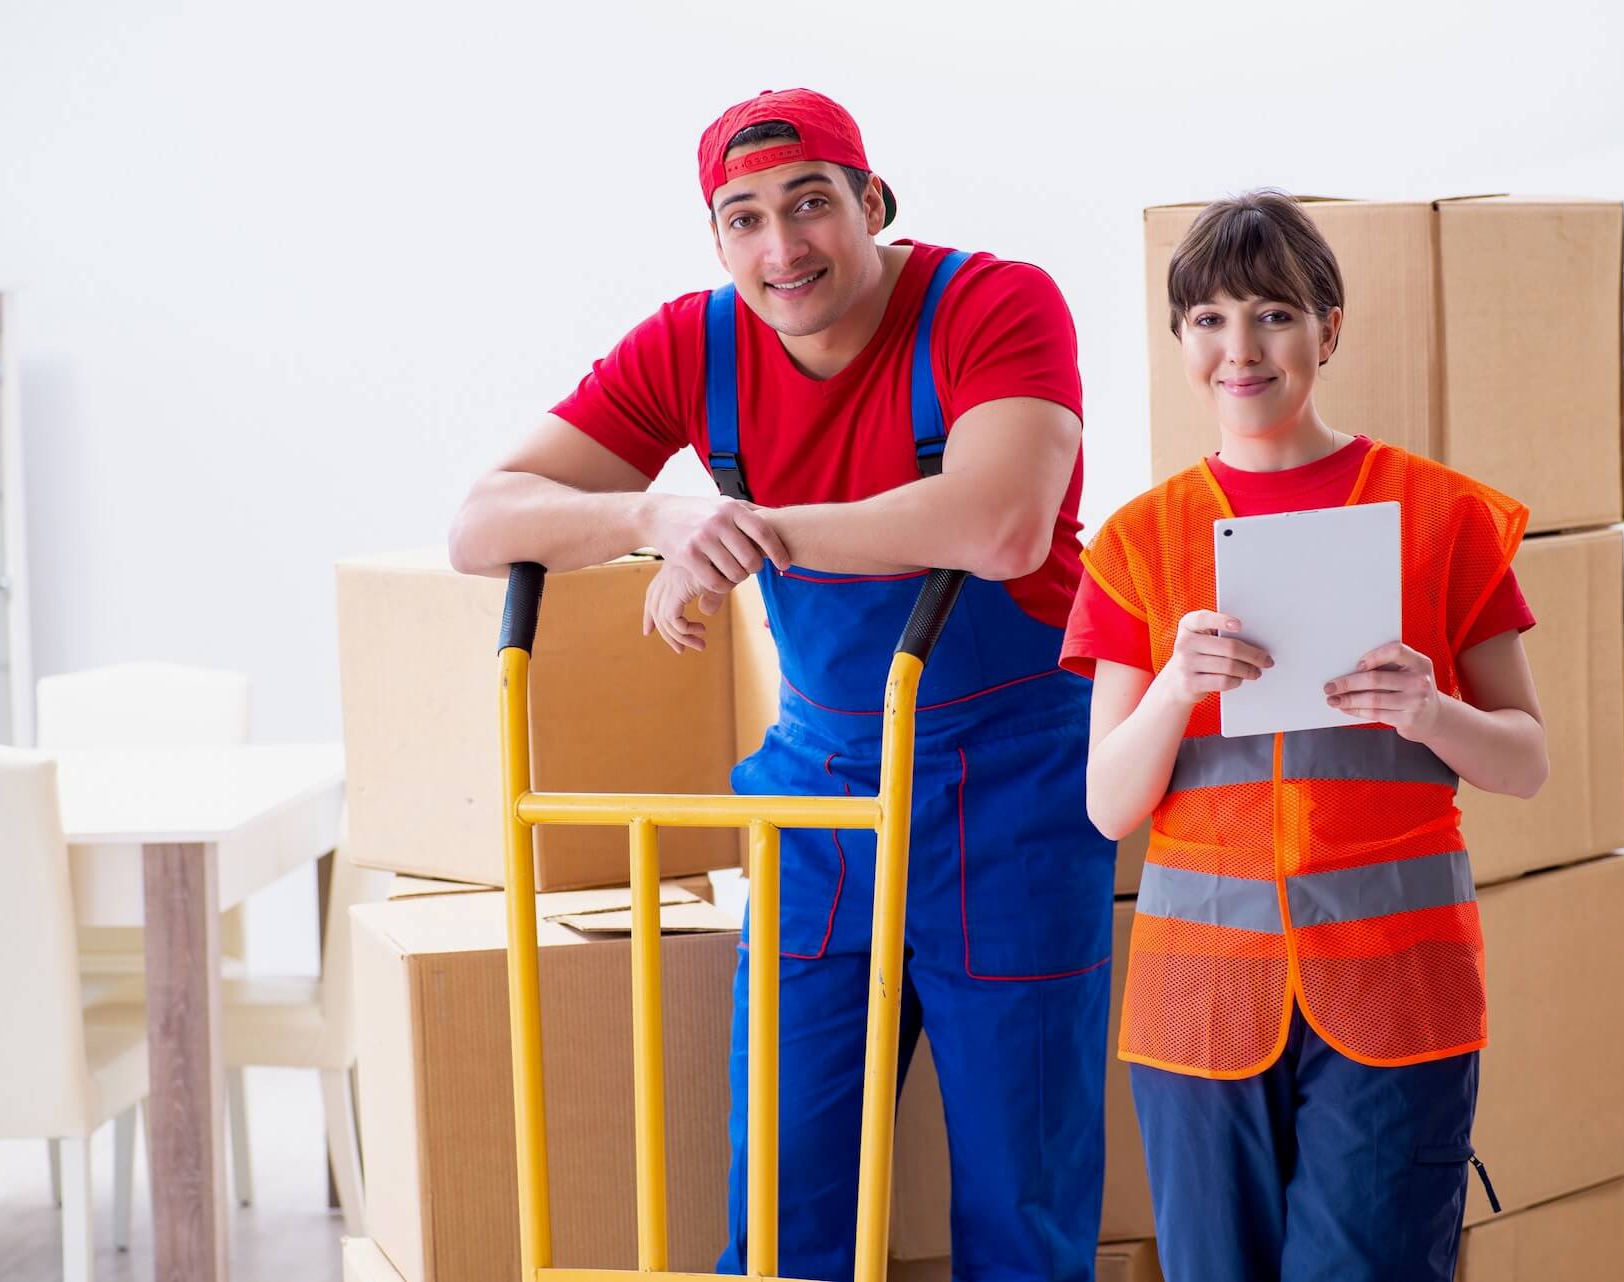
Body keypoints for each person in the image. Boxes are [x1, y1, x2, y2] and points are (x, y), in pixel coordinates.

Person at [448, 88, 1116, 1282]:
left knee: (1024, 1192)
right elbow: (483, 517)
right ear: (715, 239)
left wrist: (749, 532)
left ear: (872, 201)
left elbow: (1004, 521)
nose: (781, 247)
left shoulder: (992, 304)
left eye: (811, 204)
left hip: (1009, 785)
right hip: (820, 793)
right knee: (784, 1181)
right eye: (743, 217)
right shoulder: (693, 344)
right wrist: (661, 514)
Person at [1063, 190, 1550, 1282]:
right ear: (1181, 339)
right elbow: (1106, 803)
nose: (1242, 348)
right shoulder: (1140, 544)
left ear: (1329, 329)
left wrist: (1432, 712)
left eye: (1275, 314)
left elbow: (1526, 758)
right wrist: (1173, 692)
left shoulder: (1442, 517)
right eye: (1210, 320)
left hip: (1397, 993)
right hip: (1201, 1005)